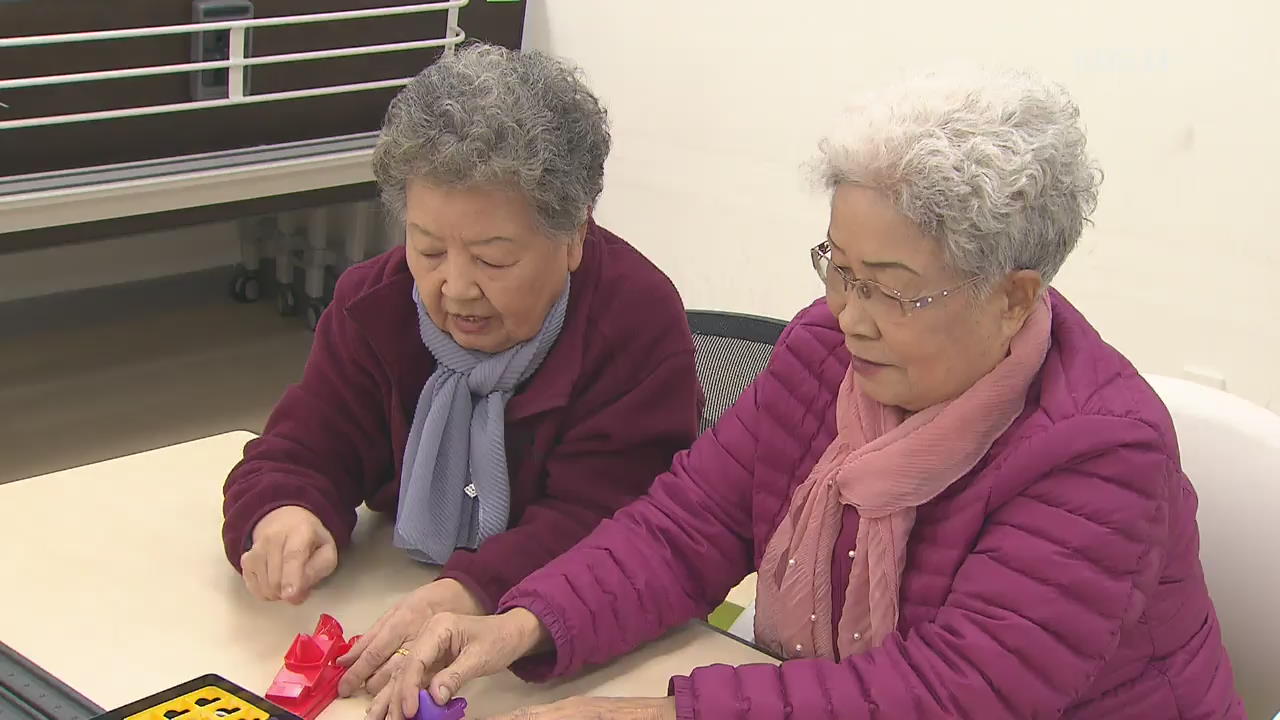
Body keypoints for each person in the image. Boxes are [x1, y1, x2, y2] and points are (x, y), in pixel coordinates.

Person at [372, 69, 1245, 719]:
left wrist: (676, 711)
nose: (849, 316)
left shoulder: (1098, 455)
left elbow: (954, 694)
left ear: (1013, 296)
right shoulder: (823, 353)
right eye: (840, 268)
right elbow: (686, 528)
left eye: (892, 288)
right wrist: (524, 622)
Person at [220, 43, 703, 700]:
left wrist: (468, 591)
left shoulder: (634, 322)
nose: (454, 287)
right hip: (394, 601)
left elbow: (609, 519)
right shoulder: (377, 305)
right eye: (427, 248)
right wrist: (285, 512)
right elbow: (303, 447)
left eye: (493, 259)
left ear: (574, 237)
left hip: (562, 654)